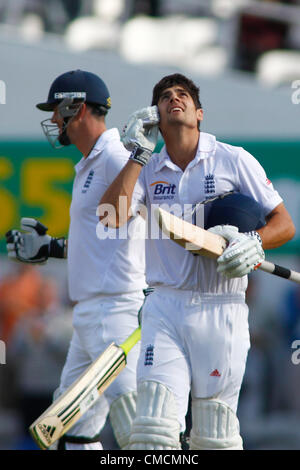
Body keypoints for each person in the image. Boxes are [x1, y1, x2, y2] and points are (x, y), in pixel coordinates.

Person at [99, 73, 295, 450]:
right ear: (153, 114)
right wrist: (138, 154)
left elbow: (284, 225)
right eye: (165, 97)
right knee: (152, 433)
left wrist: (253, 242)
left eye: (183, 94)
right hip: (165, 306)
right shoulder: (148, 168)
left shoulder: (232, 159)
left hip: (221, 307)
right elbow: (110, 217)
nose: (175, 99)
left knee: (214, 437)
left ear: (199, 112)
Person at [5, 69, 147, 450]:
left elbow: (131, 220)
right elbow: (103, 237)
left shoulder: (115, 157)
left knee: (139, 429)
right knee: (71, 428)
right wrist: (51, 248)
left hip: (117, 310)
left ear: (77, 108)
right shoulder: (90, 163)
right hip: (90, 313)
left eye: (57, 110)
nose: (53, 120)